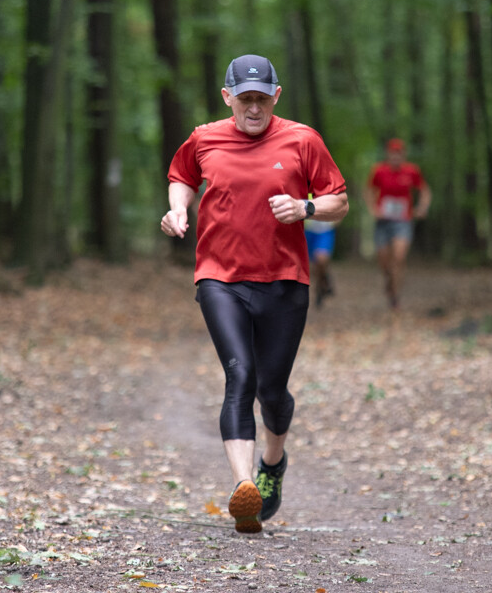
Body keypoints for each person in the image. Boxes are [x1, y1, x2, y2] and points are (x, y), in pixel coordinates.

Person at [160, 54, 349, 534]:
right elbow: (182, 176)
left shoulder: (303, 140)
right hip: (219, 276)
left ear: (275, 96)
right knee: (239, 375)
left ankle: (272, 463)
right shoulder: (204, 138)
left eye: (262, 98)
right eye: (245, 99)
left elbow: (339, 201)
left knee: (273, 392)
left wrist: (305, 206)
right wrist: (178, 210)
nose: (254, 107)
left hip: (284, 281)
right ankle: (244, 487)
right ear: (228, 98)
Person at [365, 137, 430, 309]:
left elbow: (424, 191)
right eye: (392, 153)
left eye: (398, 153)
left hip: (403, 221)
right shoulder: (379, 171)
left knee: (399, 257)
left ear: (403, 155)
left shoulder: (412, 171)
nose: (395, 157)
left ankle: (395, 295)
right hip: (383, 221)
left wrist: (422, 208)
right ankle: (389, 280)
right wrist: (373, 209)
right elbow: (370, 191)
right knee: (384, 260)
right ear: (388, 154)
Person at [304, 215, 336, 307]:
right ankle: (322, 286)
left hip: (326, 230)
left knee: (321, 259)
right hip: (308, 230)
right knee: (315, 266)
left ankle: (322, 285)